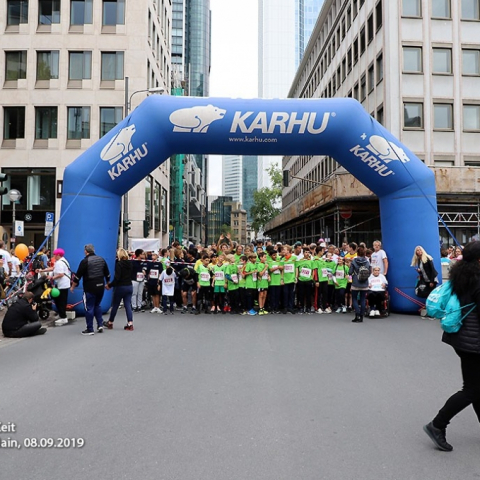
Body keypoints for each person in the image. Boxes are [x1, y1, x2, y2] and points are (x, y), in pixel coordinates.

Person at [423, 241, 480, 452]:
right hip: (473, 341)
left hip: (462, 337)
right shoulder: (478, 280)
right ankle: (437, 425)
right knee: (472, 389)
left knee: (476, 387)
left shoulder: (462, 275)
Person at [71, 244, 110, 335]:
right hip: (100, 285)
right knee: (97, 305)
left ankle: (90, 328)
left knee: (89, 307)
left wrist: (73, 286)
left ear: (86, 251)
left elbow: (78, 276)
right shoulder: (101, 259)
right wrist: (108, 283)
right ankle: (100, 324)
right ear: (94, 250)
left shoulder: (85, 261)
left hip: (90, 286)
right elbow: (107, 273)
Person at [39, 248, 71, 326]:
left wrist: (51, 278)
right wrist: (42, 270)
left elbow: (61, 274)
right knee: (60, 300)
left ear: (58, 255)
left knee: (60, 301)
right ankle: (62, 315)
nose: (54, 256)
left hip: (62, 284)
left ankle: (63, 317)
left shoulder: (60, 262)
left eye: (55, 255)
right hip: (64, 284)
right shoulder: (63, 261)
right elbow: (53, 269)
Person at [104, 248, 134, 330]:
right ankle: (130, 323)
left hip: (121, 286)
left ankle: (110, 322)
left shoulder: (119, 264)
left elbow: (117, 278)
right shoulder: (130, 264)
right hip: (129, 286)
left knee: (115, 305)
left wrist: (110, 285)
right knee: (127, 305)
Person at [349, 246, 371, 323]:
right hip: (364, 283)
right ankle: (361, 316)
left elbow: (350, 272)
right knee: (362, 299)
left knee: (354, 299)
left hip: (355, 282)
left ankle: (357, 314)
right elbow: (370, 272)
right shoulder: (367, 261)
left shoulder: (354, 261)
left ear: (357, 253)